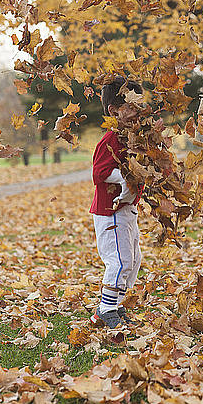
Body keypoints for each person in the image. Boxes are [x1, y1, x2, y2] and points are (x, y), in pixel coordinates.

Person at [89, 76, 144, 329]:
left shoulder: (133, 138)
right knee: (119, 260)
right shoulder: (110, 139)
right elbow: (99, 173)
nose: (137, 111)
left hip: (127, 210)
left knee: (133, 259)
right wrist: (125, 178)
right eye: (131, 107)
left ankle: (116, 303)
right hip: (110, 211)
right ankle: (105, 309)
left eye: (139, 105)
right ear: (114, 111)